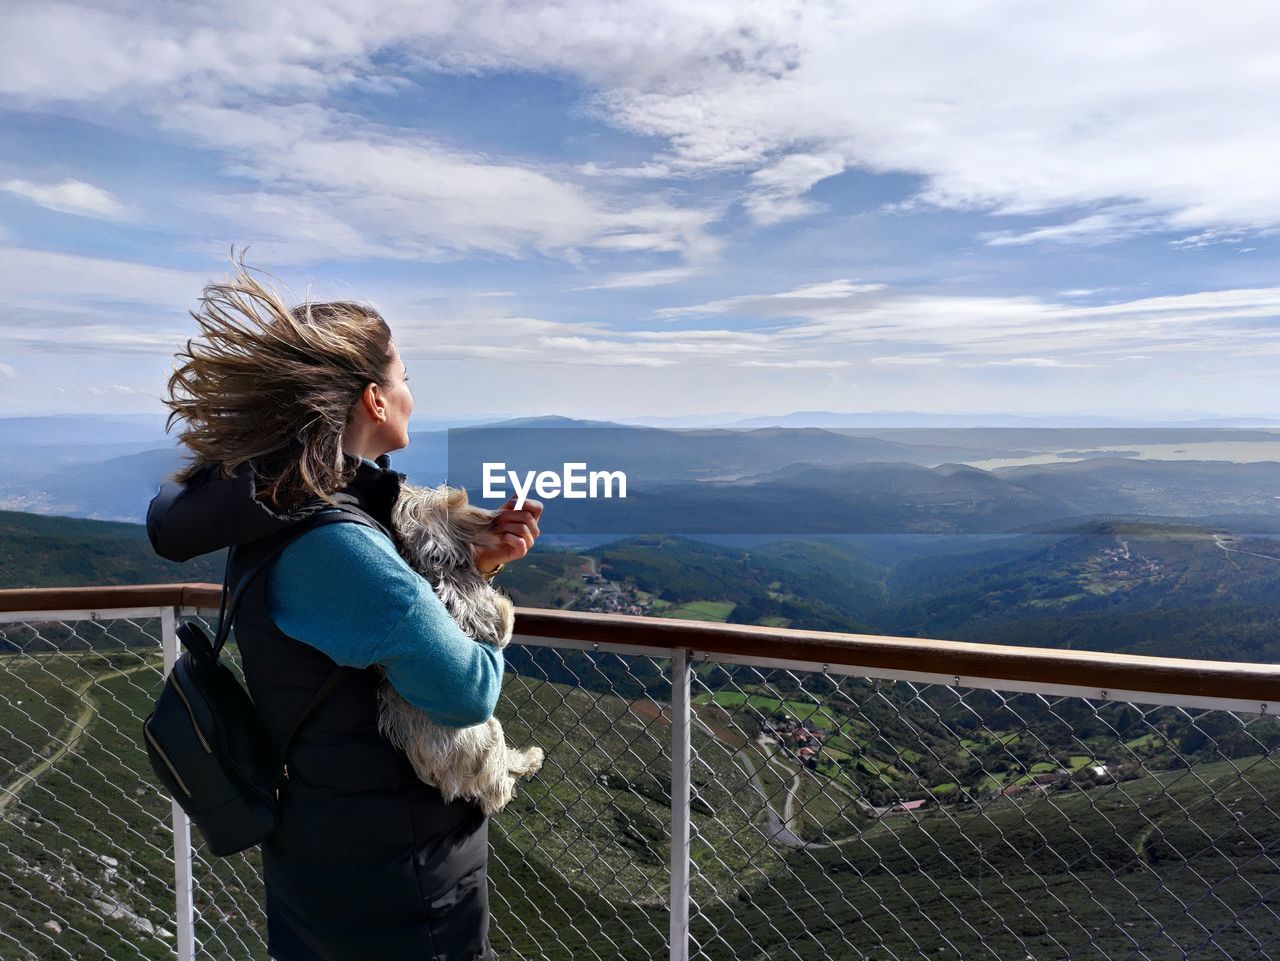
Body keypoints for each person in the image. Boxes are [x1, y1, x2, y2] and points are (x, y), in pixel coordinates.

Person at [145, 262, 542, 961]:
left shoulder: (283, 509)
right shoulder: (335, 547)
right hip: (396, 879)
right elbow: (466, 690)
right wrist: (474, 589)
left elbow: (368, 631)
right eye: (405, 377)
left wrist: (467, 560)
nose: (413, 393)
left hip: (321, 852)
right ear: (374, 401)